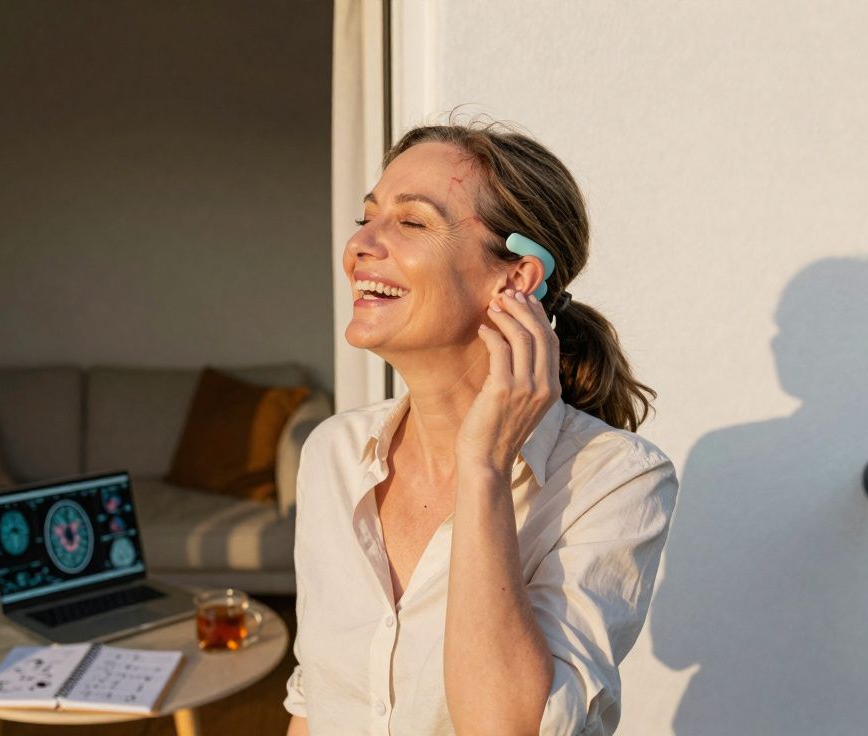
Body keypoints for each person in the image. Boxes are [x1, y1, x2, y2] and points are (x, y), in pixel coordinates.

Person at [282, 120, 680, 736]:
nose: (360, 243)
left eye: (412, 222)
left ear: (517, 277)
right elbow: (316, 700)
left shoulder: (618, 480)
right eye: (368, 216)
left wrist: (484, 468)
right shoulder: (333, 452)